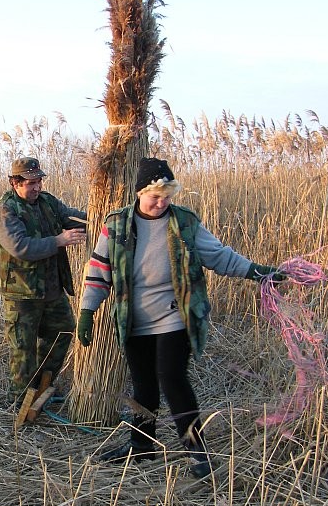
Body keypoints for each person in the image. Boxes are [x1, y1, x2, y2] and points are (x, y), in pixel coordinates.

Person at [76, 157, 285, 478]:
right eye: (154, 197)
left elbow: (219, 256)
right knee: (143, 385)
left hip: (175, 316)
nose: (161, 203)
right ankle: (141, 445)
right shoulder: (116, 225)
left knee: (171, 378)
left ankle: (196, 450)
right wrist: (88, 310)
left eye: (167, 196)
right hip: (133, 320)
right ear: (139, 193)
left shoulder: (184, 223)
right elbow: (99, 270)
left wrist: (257, 272)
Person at [0, 156, 87, 406]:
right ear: (15, 183)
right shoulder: (5, 209)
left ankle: (44, 388)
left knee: (63, 330)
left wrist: (103, 217)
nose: (37, 187)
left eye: (39, 181)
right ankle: (20, 402)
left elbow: (73, 218)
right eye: (31, 183)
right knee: (23, 348)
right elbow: (20, 247)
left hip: (52, 289)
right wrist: (59, 240)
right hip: (22, 293)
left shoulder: (47, 202)